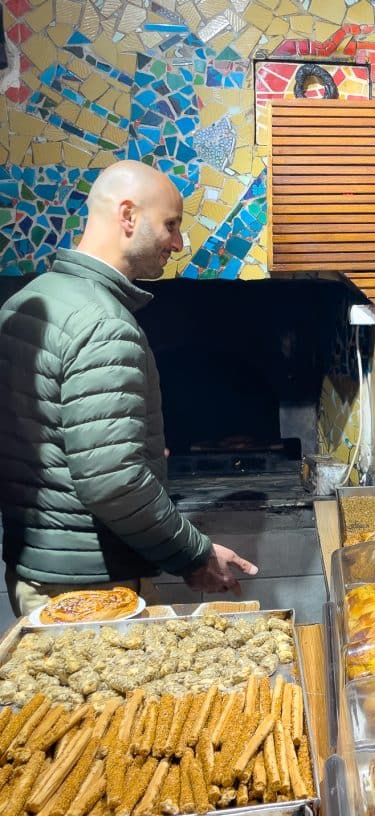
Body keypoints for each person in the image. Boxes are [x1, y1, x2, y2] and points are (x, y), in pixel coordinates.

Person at [0, 160, 258, 616]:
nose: (178, 244)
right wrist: (193, 553)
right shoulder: (102, 324)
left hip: (39, 570)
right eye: (171, 225)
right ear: (127, 215)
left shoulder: (29, 300)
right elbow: (113, 482)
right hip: (94, 589)